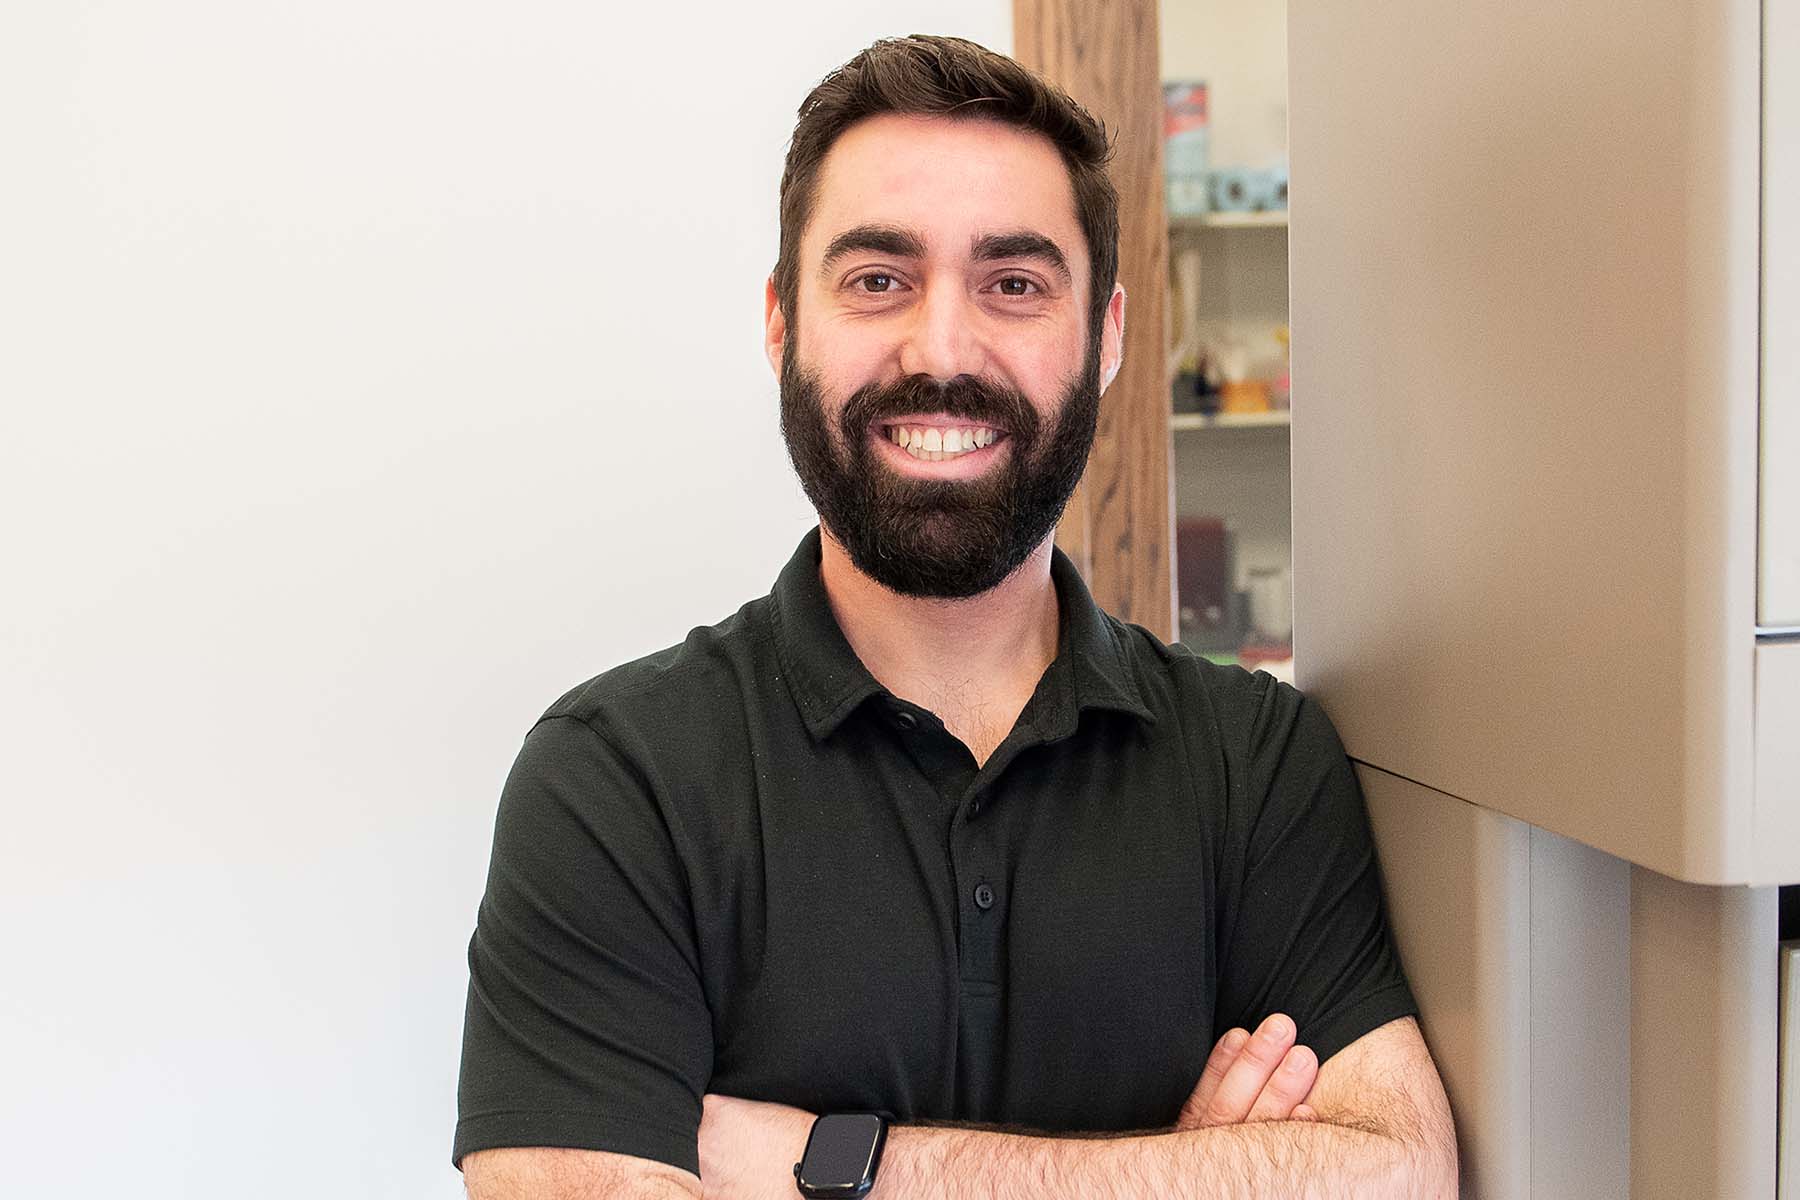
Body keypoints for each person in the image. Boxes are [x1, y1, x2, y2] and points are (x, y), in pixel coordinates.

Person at [455, 33, 1456, 1199]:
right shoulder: (615, 782)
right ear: (781, 323)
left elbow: (1401, 1171)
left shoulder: (1258, 763)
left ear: (1107, 336)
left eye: (1014, 284)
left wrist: (837, 1165)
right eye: (878, 279)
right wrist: (1191, 1172)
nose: (941, 348)